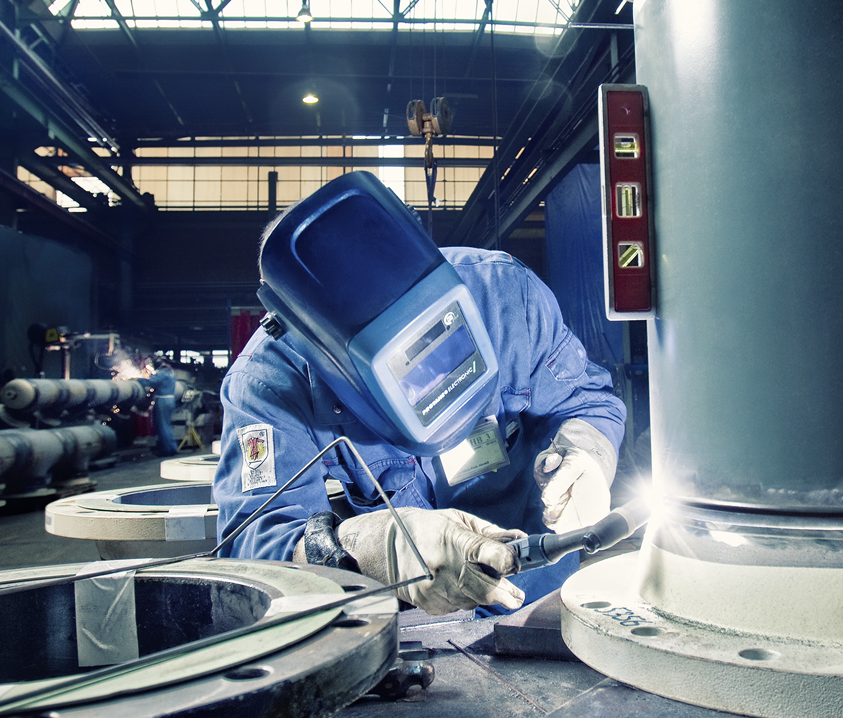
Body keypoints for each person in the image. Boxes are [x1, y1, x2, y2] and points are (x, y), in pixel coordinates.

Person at [213, 172, 625, 616]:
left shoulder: (505, 296)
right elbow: (253, 547)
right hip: (410, 623)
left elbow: (587, 401)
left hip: (542, 592)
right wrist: (365, 548)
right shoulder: (269, 384)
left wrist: (586, 456)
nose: (432, 378)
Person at [142, 358, 179, 457]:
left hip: (162, 400)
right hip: (170, 400)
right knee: (166, 425)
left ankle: (166, 450)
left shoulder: (161, 374)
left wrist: (137, 380)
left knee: (162, 426)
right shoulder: (170, 373)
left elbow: (150, 382)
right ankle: (172, 447)